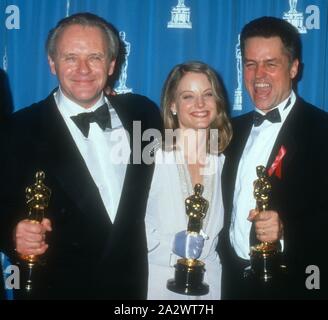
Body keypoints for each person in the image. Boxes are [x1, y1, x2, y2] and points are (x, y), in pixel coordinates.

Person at [0, 12, 162, 299]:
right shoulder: (17, 129)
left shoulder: (143, 114)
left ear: (112, 64)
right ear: (52, 63)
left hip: (130, 292)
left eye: (95, 57)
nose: (83, 69)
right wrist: (13, 234)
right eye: (71, 57)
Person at [218, 16, 328, 299]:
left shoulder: (322, 131)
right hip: (229, 285)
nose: (259, 75)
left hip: (293, 286)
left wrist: (285, 232)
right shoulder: (230, 131)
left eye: (271, 64)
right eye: (250, 63)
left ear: (293, 68)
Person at [146, 61, 232, 300]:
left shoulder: (225, 163)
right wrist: (169, 246)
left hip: (211, 286)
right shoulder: (151, 158)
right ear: (172, 105)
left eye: (208, 94)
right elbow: (127, 224)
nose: (200, 104)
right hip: (157, 284)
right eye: (188, 96)